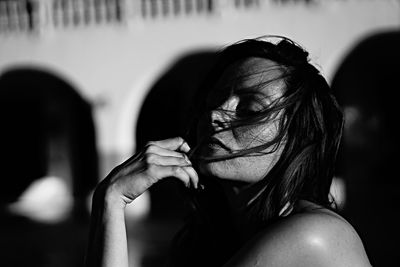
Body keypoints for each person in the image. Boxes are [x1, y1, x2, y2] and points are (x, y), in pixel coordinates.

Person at [85, 36, 371, 267]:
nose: (215, 115)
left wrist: (112, 200)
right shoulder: (218, 238)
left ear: (299, 137)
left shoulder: (313, 235)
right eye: (213, 102)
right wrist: (107, 200)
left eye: (249, 109)